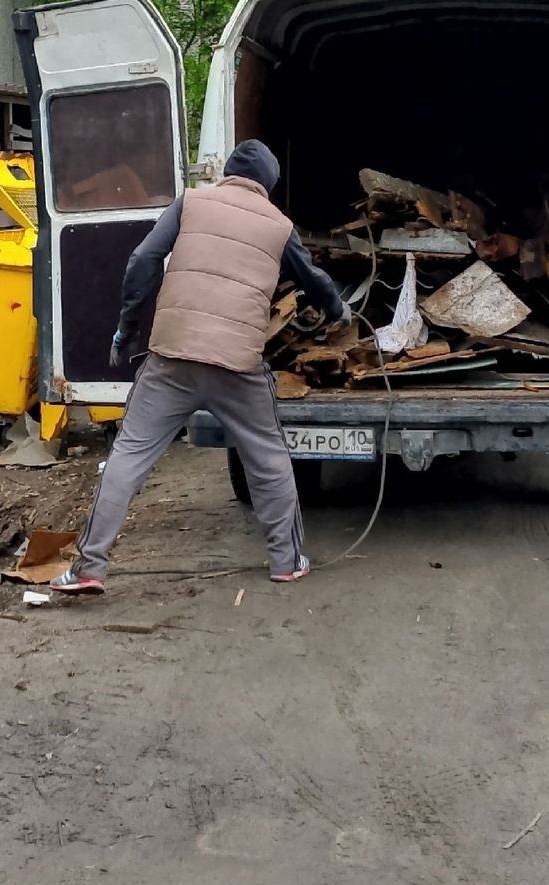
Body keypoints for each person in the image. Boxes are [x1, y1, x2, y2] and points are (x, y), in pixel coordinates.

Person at [53, 139, 346, 594]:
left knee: (129, 455)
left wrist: (125, 329)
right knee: (268, 458)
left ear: (225, 172)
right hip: (237, 365)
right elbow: (314, 279)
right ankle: (286, 562)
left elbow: (143, 259)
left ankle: (90, 568)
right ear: (268, 184)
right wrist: (337, 311)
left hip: (172, 356)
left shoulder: (191, 201)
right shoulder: (279, 224)